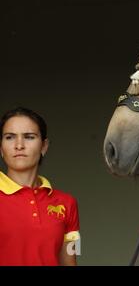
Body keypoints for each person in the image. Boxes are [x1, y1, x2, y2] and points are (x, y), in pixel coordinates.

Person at [0, 107, 80, 266]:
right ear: (1, 148)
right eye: (9, 137)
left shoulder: (67, 203)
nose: (19, 145)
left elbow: (71, 258)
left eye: (29, 137)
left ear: (44, 146)